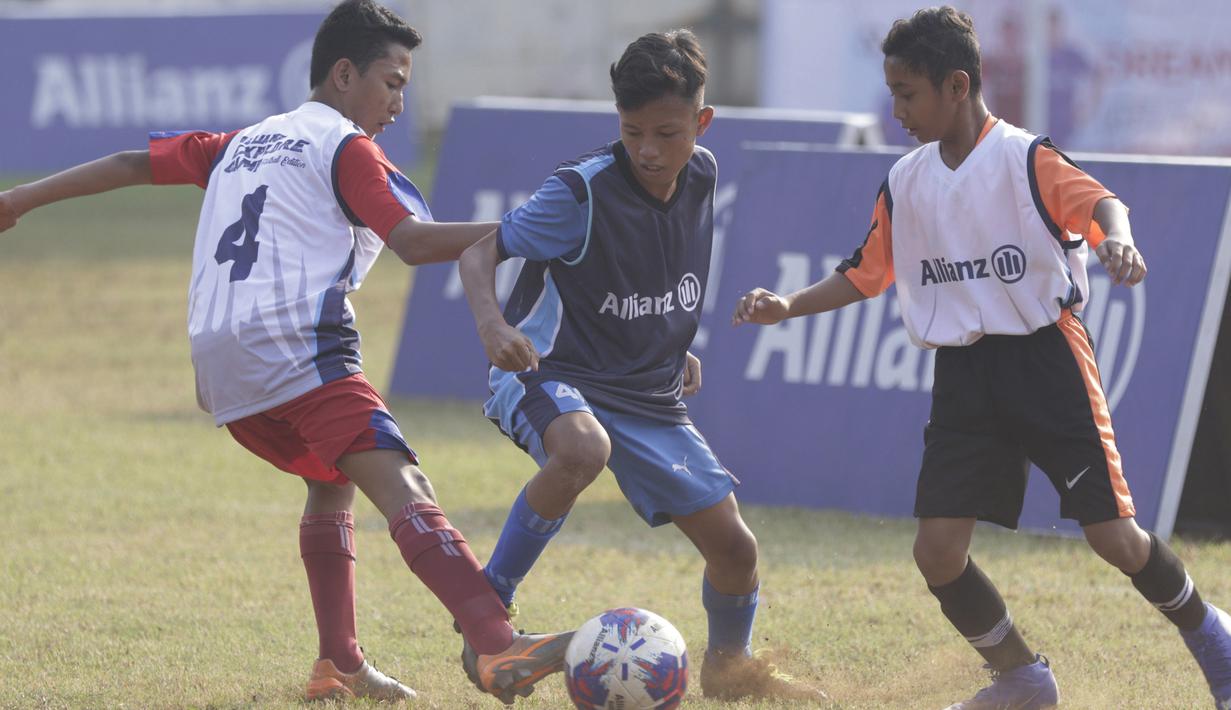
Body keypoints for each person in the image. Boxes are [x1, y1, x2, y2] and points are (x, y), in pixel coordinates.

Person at [0, 0, 571, 704]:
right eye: (391, 83)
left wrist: (18, 200)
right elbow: (414, 243)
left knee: (331, 481)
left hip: (218, 361)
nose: (399, 103)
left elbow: (129, 162)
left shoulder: (241, 141)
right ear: (343, 74)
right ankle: (496, 643)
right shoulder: (345, 147)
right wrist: (528, 231)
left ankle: (339, 664)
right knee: (403, 484)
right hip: (296, 342)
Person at [732, 7, 1231, 710]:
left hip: (1046, 364)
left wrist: (1118, 240)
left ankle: (1216, 643)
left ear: (957, 85)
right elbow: (865, 273)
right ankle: (1022, 678)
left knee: (1115, 539)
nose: (896, 110)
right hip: (963, 377)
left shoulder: (1023, 158)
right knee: (936, 553)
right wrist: (786, 305)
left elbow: (1102, 204)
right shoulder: (905, 180)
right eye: (893, 92)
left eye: (907, 93)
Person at [457, 29, 825, 703]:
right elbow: (479, 251)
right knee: (581, 449)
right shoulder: (580, 191)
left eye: (666, 133)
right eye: (632, 133)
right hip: (549, 367)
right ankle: (487, 613)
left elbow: (655, 268)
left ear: (701, 123)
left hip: (645, 387)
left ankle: (729, 668)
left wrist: (666, 342)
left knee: (735, 549)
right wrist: (491, 324)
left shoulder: (704, 173)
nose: (648, 150)